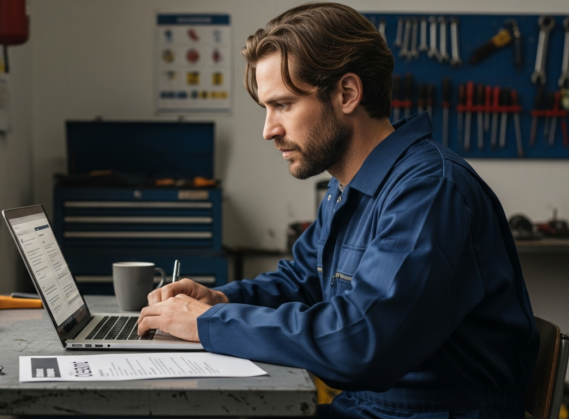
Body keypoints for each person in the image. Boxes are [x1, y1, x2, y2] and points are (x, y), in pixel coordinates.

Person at [137, 3, 539, 417]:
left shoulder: (430, 190)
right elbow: (304, 281)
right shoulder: (348, 185)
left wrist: (208, 324)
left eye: (284, 105)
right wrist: (218, 300)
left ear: (347, 93)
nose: (268, 130)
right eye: (266, 109)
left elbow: (361, 342)